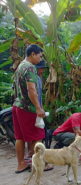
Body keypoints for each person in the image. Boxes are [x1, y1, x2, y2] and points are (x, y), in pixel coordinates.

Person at [12, 44, 52, 173]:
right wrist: (38, 108)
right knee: (37, 137)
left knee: (20, 137)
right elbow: (31, 89)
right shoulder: (30, 67)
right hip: (27, 108)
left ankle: (21, 164)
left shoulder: (20, 66)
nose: (40, 60)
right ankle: (40, 165)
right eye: (40, 56)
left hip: (17, 106)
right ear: (33, 54)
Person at [26, 60, 49, 162]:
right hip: (31, 109)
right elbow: (31, 91)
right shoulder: (31, 78)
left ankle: (31, 154)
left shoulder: (38, 79)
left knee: (33, 133)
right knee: (37, 134)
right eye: (42, 68)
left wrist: (41, 106)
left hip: (37, 108)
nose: (43, 71)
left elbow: (38, 94)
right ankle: (36, 159)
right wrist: (37, 107)